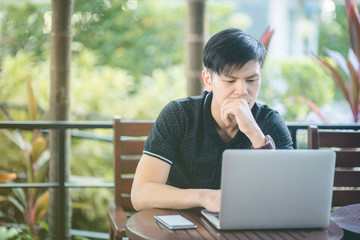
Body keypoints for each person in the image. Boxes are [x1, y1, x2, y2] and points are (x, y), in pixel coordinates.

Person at [131, 28, 293, 213]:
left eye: (251, 79)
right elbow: (141, 195)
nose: (242, 90)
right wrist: (204, 197)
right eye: (230, 81)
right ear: (208, 80)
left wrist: (254, 133)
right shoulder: (179, 115)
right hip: (180, 225)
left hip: (246, 226)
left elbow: (287, 196)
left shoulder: (270, 122)